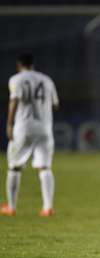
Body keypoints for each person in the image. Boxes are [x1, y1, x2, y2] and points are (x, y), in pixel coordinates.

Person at [1, 53, 58, 217]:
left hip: (23, 128)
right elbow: (55, 105)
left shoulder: (16, 79)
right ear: (33, 64)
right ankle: (47, 207)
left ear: (19, 65)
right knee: (45, 167)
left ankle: (11, 207)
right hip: (44, 128)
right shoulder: (47, 80)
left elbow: (14, 100)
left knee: (14, 167)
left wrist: (10, 123)